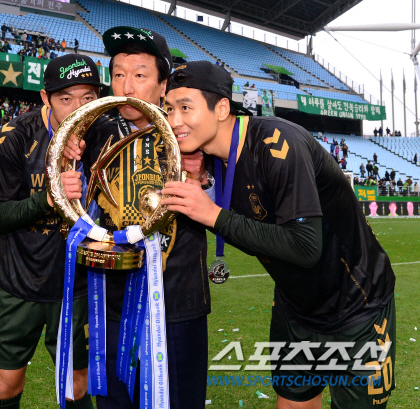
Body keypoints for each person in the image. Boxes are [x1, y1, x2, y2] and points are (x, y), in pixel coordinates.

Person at [161, 60, 396, 409]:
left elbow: (305, 247)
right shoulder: (207, 159)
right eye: (168, 109)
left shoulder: (277, 142)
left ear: (221, 108)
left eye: (185, 108)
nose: (173, 120)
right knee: (292, 404)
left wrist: (212, 215)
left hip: (356, 303)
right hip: (295, 305)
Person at [62, 26, 212, 409]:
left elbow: (227, 199)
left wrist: (205, 178)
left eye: (140, 75)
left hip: (177, 305)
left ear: (163, 86)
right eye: (118, 74)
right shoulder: (94, 130)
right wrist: (67, 170)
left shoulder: (193, 130)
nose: (126, 87)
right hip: (110, 303)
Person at [0, 54, 103, 409]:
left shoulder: (105, 134)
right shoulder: (16, 136)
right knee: (5, 385)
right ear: (46, 98)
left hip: (79, 287)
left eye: (87, 98)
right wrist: (49, 198)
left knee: (78, 386)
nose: (78, 109)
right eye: (66, 98)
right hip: (20, 283)